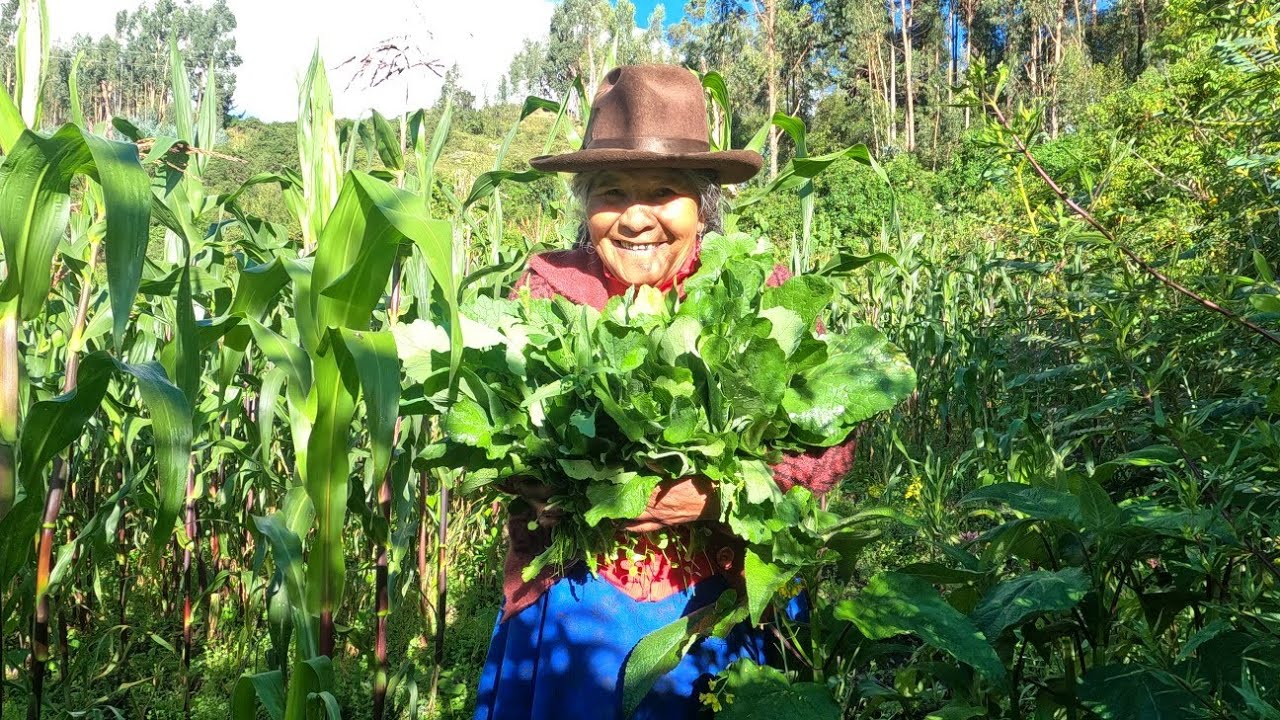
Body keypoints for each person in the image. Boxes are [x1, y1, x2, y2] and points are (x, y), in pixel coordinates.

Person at [473, 64, 856, 720]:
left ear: (703, 202)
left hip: (723, 603)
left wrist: (714, 497)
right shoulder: (547, 291)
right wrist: (564, 486)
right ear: (585, 205)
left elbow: (831, 441)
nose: (636, 217)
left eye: (665, 190)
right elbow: (497, 442)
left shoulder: (758, 289)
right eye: (611, 191)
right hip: (580, 602)